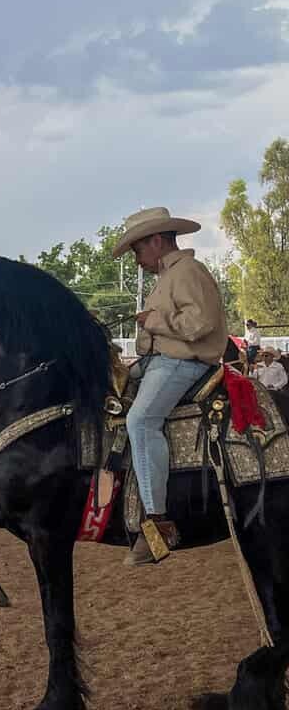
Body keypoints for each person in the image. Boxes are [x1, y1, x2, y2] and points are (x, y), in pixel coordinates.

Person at [113, 208, 228, 568]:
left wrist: (154, 320)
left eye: (137, 250)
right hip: (161, 361)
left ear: (157, 241)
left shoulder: (187, 272)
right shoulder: (167, 277)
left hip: (184, 362)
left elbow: (202, 323)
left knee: (141, 421)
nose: (136, 258)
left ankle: (159, 524)